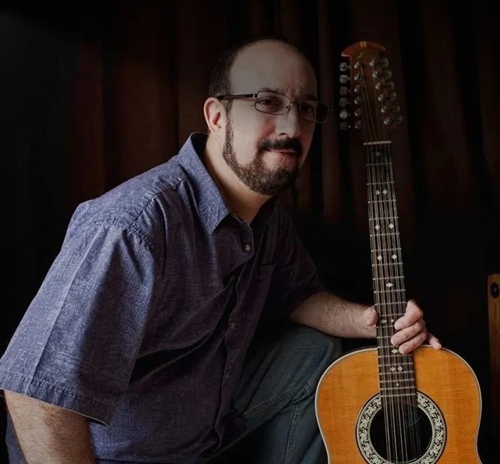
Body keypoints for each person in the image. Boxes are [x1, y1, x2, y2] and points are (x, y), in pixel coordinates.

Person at [0, 34, 442, 464]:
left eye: (306, 109)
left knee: (314, 351)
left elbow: (297, 295)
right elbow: (35, 396)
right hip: (120, 454)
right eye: (267, 102)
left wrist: (374, 321)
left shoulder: (266, 215)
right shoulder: (133, 226)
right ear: (216, 116)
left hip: (203, 434)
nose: (292, 128)